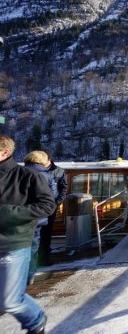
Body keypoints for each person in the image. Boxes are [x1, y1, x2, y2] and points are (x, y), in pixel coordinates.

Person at [0, 135, 56, 334]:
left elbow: (48, 204)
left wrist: (8, 214)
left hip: (14, 243)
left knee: (10, 301)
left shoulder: (27, 176)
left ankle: (36, 320)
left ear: (4, 152)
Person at [23, 151, 58, 285]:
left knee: (18, 246)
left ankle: (16, 274)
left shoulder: (16, 173)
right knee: (33, 246)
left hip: (18, 216)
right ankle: (30, 274)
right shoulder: (47, 176)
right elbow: (52, 196)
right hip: (39, 216)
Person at [38, 150, 67, 266]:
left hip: (50, 207)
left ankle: (44, 258)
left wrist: (57, 202)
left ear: (48, 160)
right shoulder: (32, 171)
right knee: (34, 234)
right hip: (35, 207)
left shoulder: (59, 171)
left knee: (46, 232)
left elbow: (63, 188)